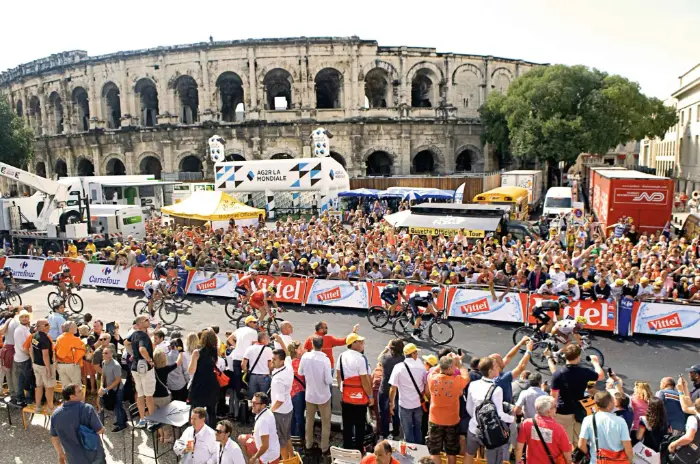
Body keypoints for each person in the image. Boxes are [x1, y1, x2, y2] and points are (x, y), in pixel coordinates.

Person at [550, 344, 605, 445]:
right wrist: (595, 362)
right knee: (578, 442)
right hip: (579, 411)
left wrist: (552, 413)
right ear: (578, 356)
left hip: (563, 412)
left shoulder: (558, 374)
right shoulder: (585, 372)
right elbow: (601, 376)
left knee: (564, 443)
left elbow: (554, 397)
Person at [465, 356, 512, 464]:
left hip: (473, 428)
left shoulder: (473, 384)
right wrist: (512, 418)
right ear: (490, 371)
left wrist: (477, 420)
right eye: (496, 366)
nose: (498, 368)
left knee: (469, 455)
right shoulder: (497, 389)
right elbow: (499, 415)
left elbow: (469, 408)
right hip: (490, 432)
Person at [49, 383, 106, 464]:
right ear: (72, 396)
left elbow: (54, 438)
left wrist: (60, 454)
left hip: (73, 458)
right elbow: (100, 431)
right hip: (93, 455)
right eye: (79, 391)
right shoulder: (87, 409)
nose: (82, 392)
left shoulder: (55, 415)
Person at [337, 332, 373, 452]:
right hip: (360, 398)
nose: (362, 344)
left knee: (347, 425)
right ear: (353, 344)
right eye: (360, 342)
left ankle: (347, 449)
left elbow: (338, 375)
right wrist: (370, 396)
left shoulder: (341, 356)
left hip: (346, 397)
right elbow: (364, 380)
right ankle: (358, 450)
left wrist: (342, 389)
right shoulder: (360, 358)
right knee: (359, 426)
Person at [299, 334, 333, 455]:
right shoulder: (325, 360)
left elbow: (300, 372)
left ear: (312, 345)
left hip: (310, 395)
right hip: (323, 396)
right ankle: (324, 447)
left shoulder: (305, 357)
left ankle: (308, 444)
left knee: (309, 420)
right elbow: (328, 380)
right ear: (322, 345)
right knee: (326, 423)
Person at [578, 391, 634, 464]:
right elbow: (628, 447)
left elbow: (581, 445)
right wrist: (630, 461)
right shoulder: (620, 421)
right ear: (610, 403)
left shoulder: (588, 420)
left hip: (596, 461)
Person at [389, 342, 428, 444]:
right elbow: (425, 384)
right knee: (418, 430)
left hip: (404, 405)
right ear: (413, 354)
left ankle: (411, 451)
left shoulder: (398, 367)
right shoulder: (421, 366)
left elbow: (393, 388)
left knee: (408, 432)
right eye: (416, 353)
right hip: (418, 404)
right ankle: (420, 449)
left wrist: (391, 404)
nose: (417, 355)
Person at [515, 395, 573, 464]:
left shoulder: (527, 423)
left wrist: (518, 462)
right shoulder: (559, 429)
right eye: (554, 407)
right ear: (548, 411)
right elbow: (567, 455)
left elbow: (518, 448)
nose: (556, 409)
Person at [125, 315, 156, 428]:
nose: (148, 321)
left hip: (135, 368)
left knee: (140, 395)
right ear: (140, 324)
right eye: (146, 320)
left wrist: (132, 353)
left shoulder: (134, 334)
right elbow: (142, 349)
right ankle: (151, 420)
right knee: (149, 396)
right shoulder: (143, 336)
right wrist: (150, 360)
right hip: (145, 368)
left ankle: (142, 419)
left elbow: (126, 343)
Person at [227, 315, 259, 418]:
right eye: (254, 322)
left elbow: (229, 338)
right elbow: (254, 346)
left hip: (237, 356)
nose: (256, 324)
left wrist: (236, 347)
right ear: (249, 323)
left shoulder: (239, 329)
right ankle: (244, 396)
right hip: (246, 358)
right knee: (246, 378)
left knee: (237, 377)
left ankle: (238, 395)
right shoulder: (253, 332)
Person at [188, 328, 221, 427]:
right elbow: (218, 343)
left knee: (197, 411)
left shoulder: (197, 352)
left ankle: (196, 429)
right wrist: (214, 334)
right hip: (212, 383)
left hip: (199, 385)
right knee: (211, 412)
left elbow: (191, 370)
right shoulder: (215, 351)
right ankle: (212, 431)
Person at [238, 392, 281, 464]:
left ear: (263, 405)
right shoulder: (267, 411)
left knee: (251, 454)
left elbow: (265, 446)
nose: (252, 405)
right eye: (252, 402)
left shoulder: (263, 421)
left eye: (255, 403)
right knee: (242, 439)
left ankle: (254, 461)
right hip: (273, 449)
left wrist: (254, 458)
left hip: (268, 457)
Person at [378, 339, 404, 440]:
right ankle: (396, 432)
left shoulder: (385, 358)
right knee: (396, 412)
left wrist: (386, 348)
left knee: (383, 413)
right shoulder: (403, 359)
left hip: (384, 389)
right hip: (397, 389)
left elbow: (379, 358)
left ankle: (384, 433)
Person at [270, 348, 294, 460]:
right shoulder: (288, 367)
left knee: (281, 440)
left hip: (280, 412)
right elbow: (288, 354)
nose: (272, 361)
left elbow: (280, 400)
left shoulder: (278, 379)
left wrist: (270, 411)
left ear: (281, 361)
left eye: (275, 359)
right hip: (288, 408)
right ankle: (291, 458)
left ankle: (285, 460)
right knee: (287, 436)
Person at [97, 343, 127, 432]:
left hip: (117, 389)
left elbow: (117, 380)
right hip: (109, 388)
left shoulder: (116, 365)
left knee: (118, 406)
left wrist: (106, 389)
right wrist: (102, 386)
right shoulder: (104, 362)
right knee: (116, 406)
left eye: (106, 353)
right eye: (103, 353)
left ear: (111, 354)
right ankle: (123, 420)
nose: (103, 355)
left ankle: (121, 425)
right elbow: (103, 375)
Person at [30, 318, 56, 413]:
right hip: (44, 366)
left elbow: (31, 350)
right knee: (49, 387)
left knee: (39, 386)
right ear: (40, 327)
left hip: (37, 365)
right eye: (46, 325)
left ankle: (38, 406)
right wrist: (48, 369)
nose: (48, 326)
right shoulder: (44, 338)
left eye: (48, 324)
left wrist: (33, 361)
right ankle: (50, 408)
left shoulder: (34, 336)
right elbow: (45, 354)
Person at [12, 309, 33, 407]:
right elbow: (23, 348)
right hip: (23, 359)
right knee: (28, 380)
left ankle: (20, 399)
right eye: (22, 317)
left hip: (21, 358)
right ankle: (28, 400)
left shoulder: (24, 328)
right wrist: (31, 356)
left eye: (26, 316)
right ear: (19, 318)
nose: (25, 318)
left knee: (21, 380)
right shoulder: (20, 330)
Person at [54, 321, 86, 386]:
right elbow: (84, 348)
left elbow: (54, 350)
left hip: (60, 366)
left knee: (66, 388)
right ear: (71, 329)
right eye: (75, 327)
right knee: (77, 387)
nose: (77, 328)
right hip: (71, 366)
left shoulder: (59, 338)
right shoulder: (74, 339)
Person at [243, 331, 273, 396]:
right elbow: (270, 365)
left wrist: (247, 372)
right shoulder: (268, 350)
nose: (269, 340)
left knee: (253, 398)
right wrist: (271, 373)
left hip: (252, 376)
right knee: (263, 398)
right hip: (264, 377)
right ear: (263, 340)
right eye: (268, 339)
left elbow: (243, 364)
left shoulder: (249, 348)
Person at [287, 340, 306, 446]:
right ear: (296, 350)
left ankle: (292, 438)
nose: (303, 350)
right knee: (299, 417)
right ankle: (301, 439)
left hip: (291, 393)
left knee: (293, 416)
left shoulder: (289, 362)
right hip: (299, 392)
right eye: (301, 348)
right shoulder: (299, 363)